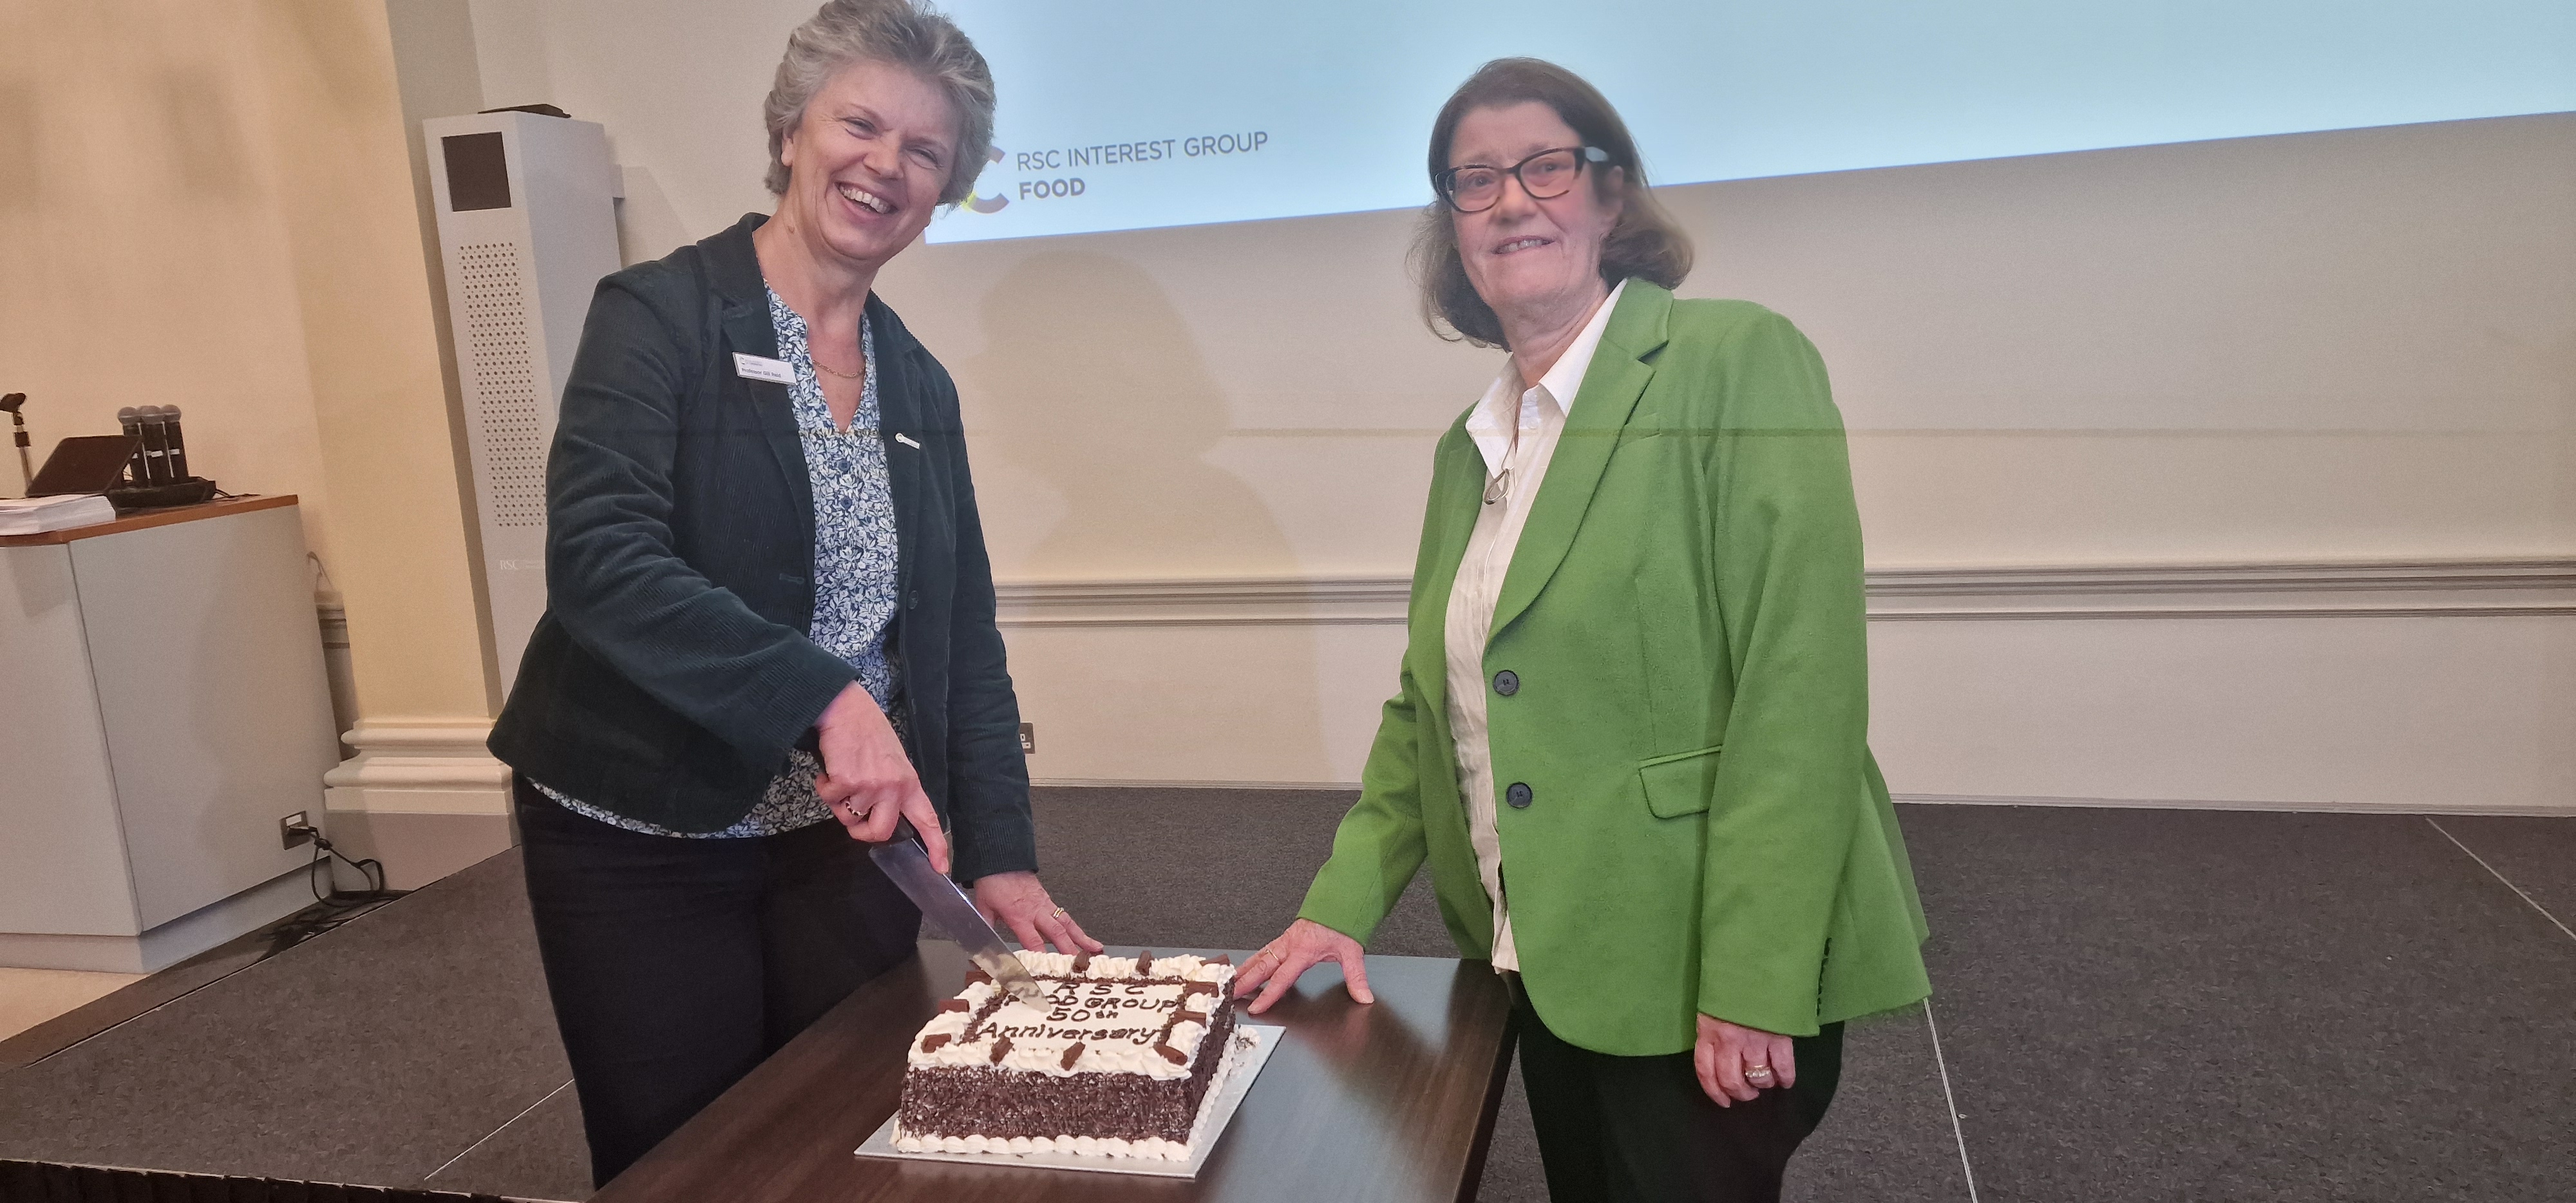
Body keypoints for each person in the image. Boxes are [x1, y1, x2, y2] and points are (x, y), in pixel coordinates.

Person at [1231, 59, 1932, 1203]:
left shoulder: (1734, 359)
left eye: (1545, 166)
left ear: (1612, 198)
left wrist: (1755, 979)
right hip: (1540, 954)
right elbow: (1432, 709)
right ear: (1452, 231)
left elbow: (1798, 691)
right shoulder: (1473, 448)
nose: (1511, 200)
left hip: (1698, 968)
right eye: (1474, 181)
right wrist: (1334, 910)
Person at [485, 1, 1098, 1184]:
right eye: (860, 124)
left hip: (835, 842)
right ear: (788, 133)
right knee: (692, 1159)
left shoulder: (918, 384)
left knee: (846, 1134)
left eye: (927, 152)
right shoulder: (659, 315)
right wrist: (824, 697)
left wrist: (1001, 858)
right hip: (639, 826)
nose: (887, 166)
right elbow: (602, 560)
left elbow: (958, 639)